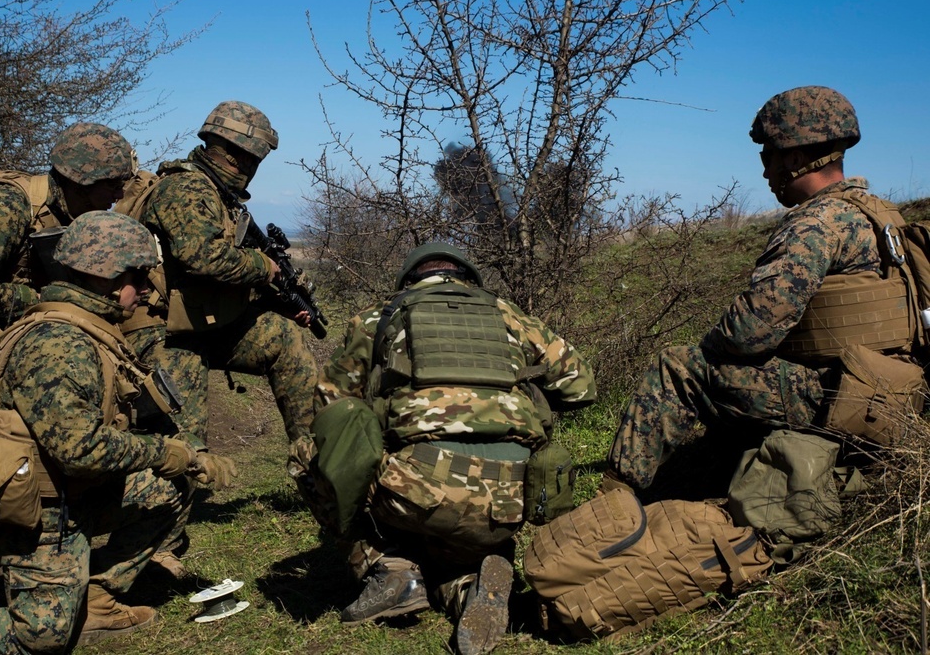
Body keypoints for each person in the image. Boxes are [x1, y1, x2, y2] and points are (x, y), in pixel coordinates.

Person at [605, 85, 922, 493]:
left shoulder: (816, 223)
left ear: (793, 158)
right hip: (895, 395)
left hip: (842, 398)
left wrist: (710, 346)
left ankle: (609, 508)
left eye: (767, 157)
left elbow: (748, 335)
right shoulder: (880, 214)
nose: (765, 172)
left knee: (678, 368)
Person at [0, 211, 211, 653]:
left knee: (172, 488)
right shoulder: (59, 345)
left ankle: (96, 598)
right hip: (35, 516)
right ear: (110, 278)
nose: (146, 291)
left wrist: (187, 456)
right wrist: (165, 451)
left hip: (74, 494)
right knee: (38, 643)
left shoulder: (88, 328)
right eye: (139, 277)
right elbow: (80, 450)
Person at [307, 243, 596, 655]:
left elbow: (329, 406)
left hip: (419, 490)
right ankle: (471, 587)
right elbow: (582, 386)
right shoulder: (509, 315)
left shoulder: (381, 316)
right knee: (452, 552)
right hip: (510, 499)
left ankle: (385, 566)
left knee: (308, 453)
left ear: (409, 280)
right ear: (467, 278)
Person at [0, 121, 137, 579]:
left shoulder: (66, 217)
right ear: (81, 181)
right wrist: (36, 299)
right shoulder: (5, 204)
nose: (116, 198)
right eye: (111, 187)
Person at [121, 100, 317, 575]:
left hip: (203, 324)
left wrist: (279, 295)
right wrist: (263, 267)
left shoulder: (220, 195)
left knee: (285, 341)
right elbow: (200, 257)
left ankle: (319, 472)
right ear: (238, 153)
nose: (251, 168)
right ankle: (155, 546)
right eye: (252, 158)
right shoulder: (187, 188)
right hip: (162, 332)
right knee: (184, 438)